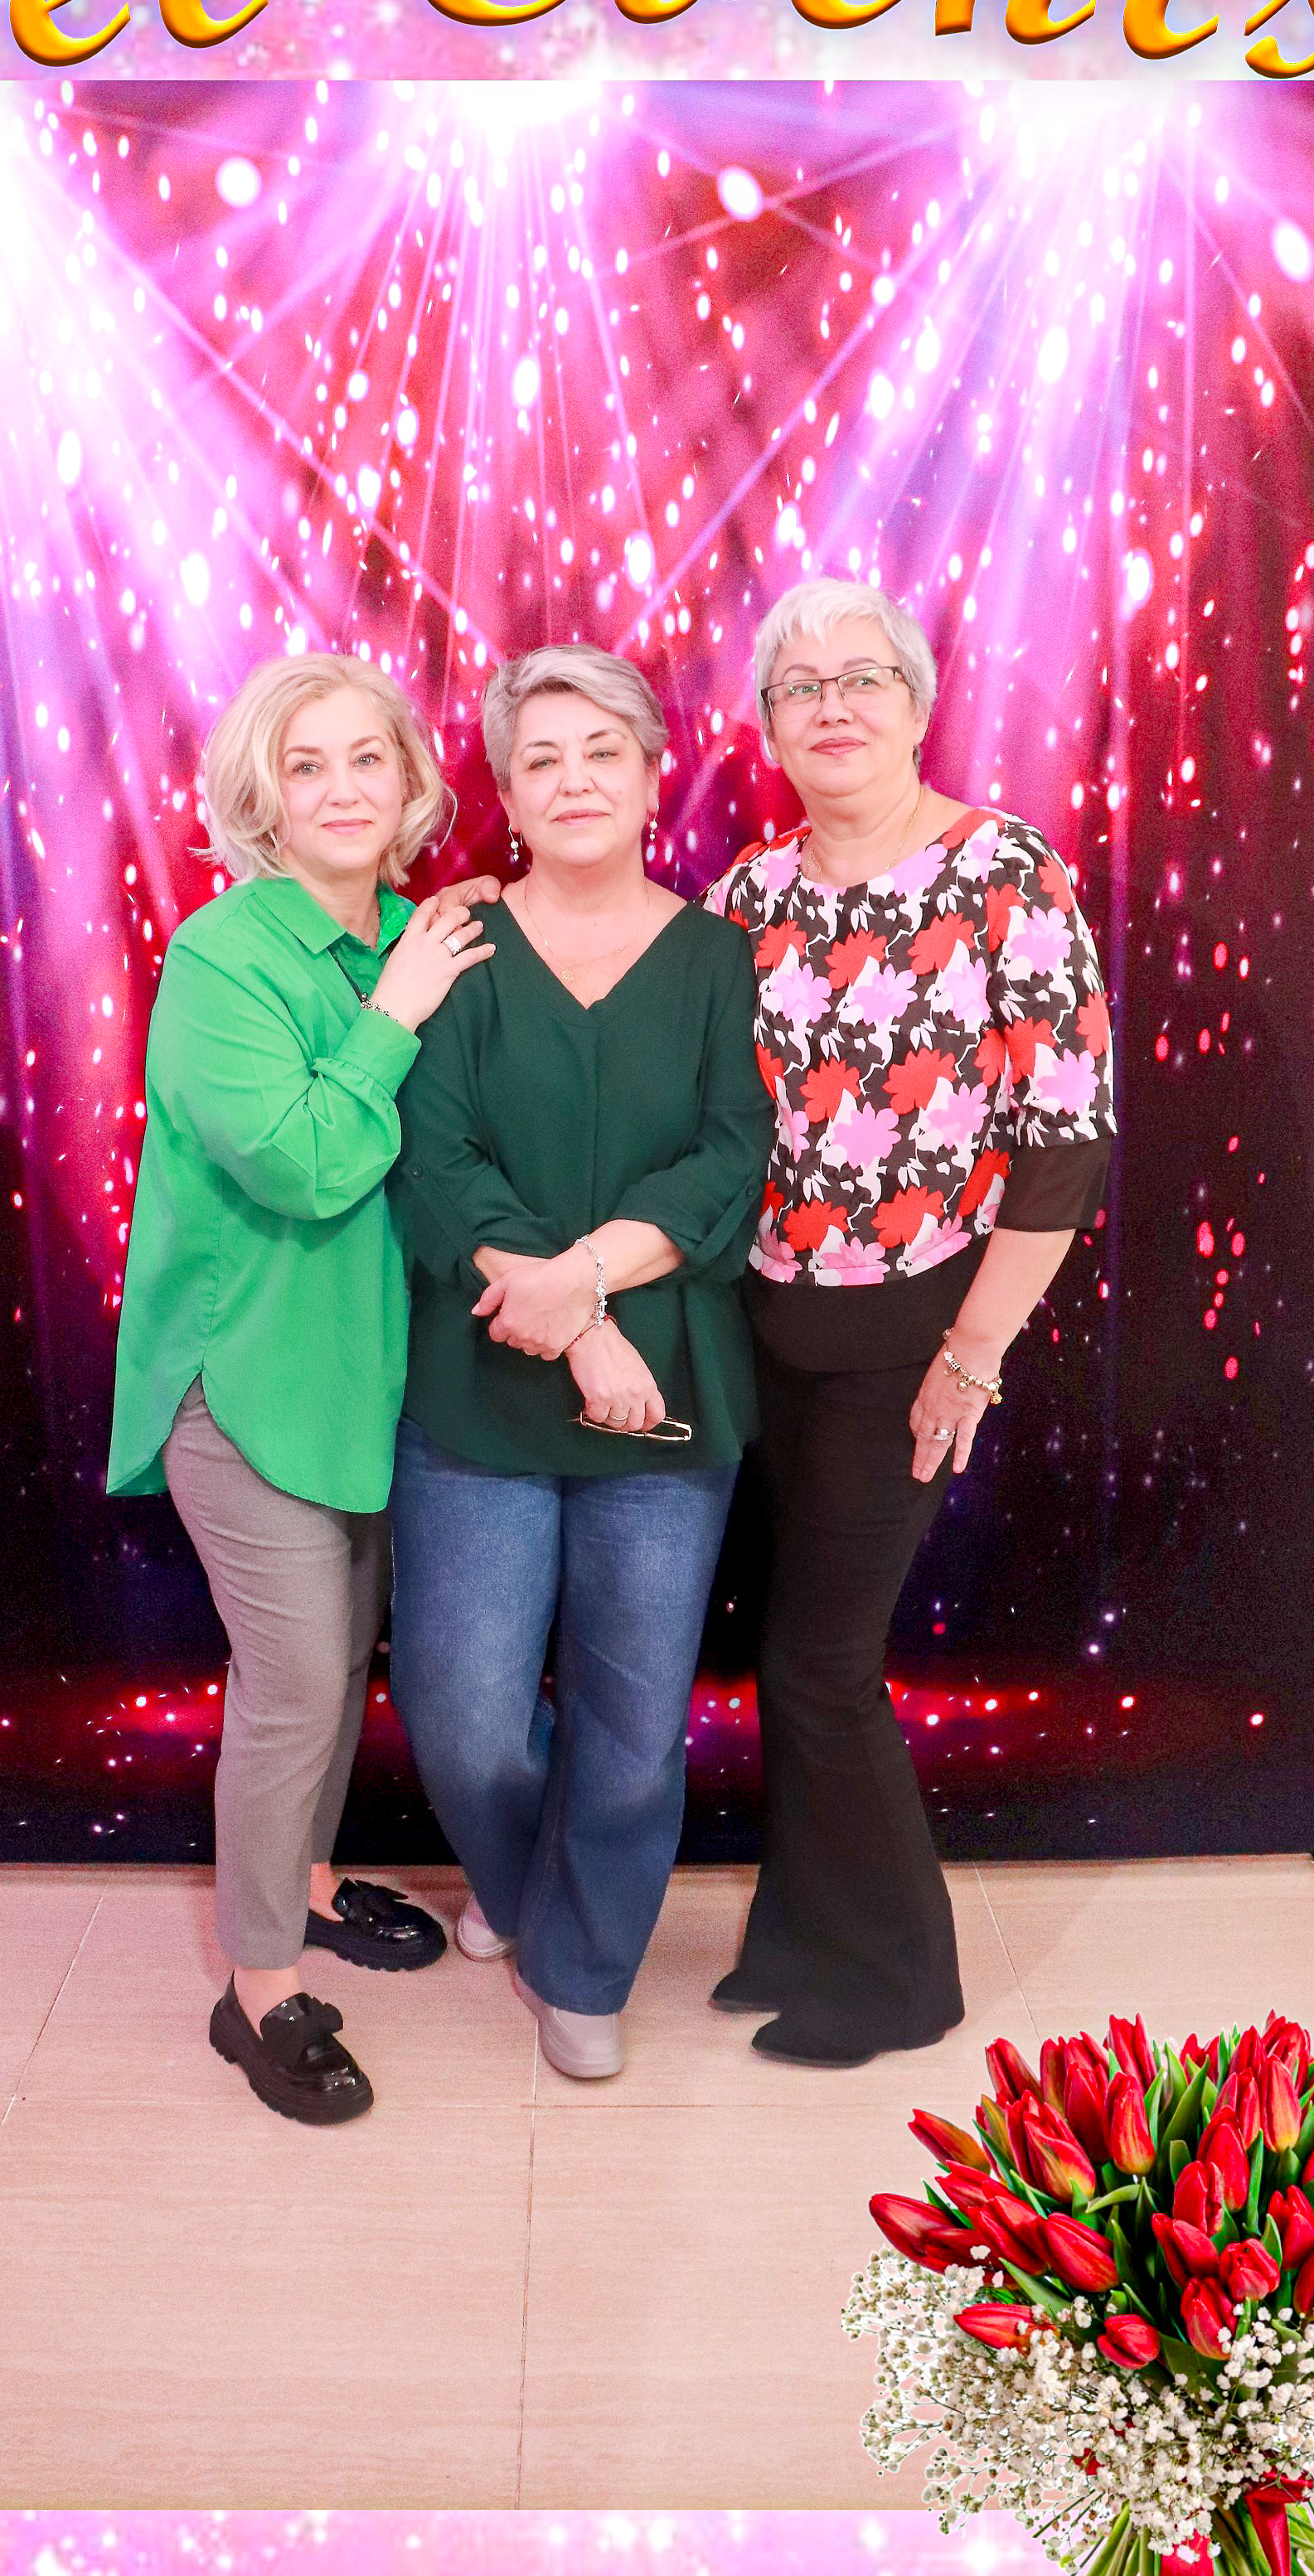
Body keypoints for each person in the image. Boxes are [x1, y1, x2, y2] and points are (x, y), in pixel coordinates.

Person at [704, 578, 1117, 2067]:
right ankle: (798, 1936)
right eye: (800, 686)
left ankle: (899, 1981)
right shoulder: (750, 894)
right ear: (768, 727)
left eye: (863, 677)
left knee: (823, 1659)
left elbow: (1067, 1142)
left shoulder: (1005, 869)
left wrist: (972, 1356)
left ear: (918, 703)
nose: (833, 706)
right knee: (783, 1649)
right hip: (764, 1324)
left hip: (918, 1326)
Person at [106, 655, 497, 2125]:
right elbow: (307, 1164)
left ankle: (314, 1880)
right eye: (306, 766)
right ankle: (258, 1985)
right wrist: (396, 1011)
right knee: (292, 1684)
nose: (341, 790)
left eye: (365, 759)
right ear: (262, 800)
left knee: (335, 1671)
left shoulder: (419, 928)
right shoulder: (224, 955)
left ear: (411, 782)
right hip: (246, 1382)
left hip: (376, 1382)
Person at [386, 646, 769, 2080]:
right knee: (465, 1711)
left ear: (656, 775)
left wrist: (594, 1281)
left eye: (604, 751)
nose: (575, 780)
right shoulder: (458, 949)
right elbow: (435, 1161)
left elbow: (730, 1159)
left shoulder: (720, 958)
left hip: (666, 1401)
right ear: (506, 792)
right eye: (541, 758)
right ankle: (521, 1881)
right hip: (485, 1376)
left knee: (632, 1719)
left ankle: (583, 1962)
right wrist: (577, 1319)